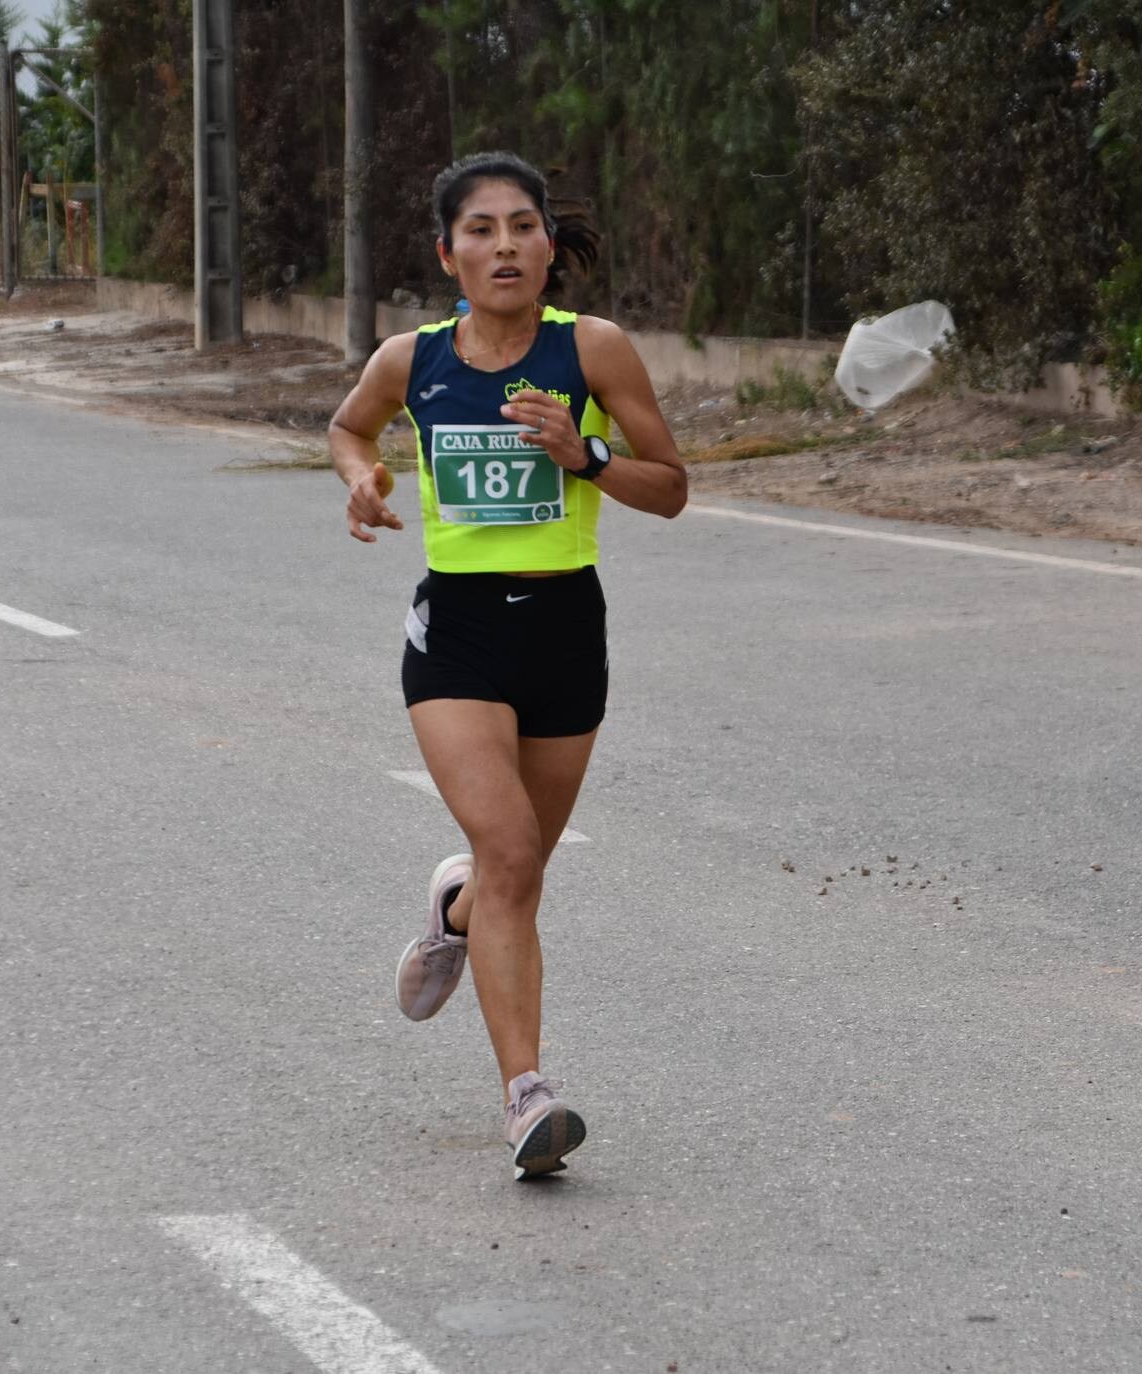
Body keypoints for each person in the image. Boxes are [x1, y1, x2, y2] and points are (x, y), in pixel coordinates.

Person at [328, 151, 687, 1180]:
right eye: (480, 230)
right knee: (514, 853)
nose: (506, 246)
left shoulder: (596, 353)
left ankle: (454, 912)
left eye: (523, 226)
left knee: (510, 875)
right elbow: (348, 427)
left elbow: (671, 487)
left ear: (546, 244)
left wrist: (589, 458)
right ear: (448, 254)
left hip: (567, 628)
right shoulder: (413, 360)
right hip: (461, 630)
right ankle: (528, 1096)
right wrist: (361, 478)